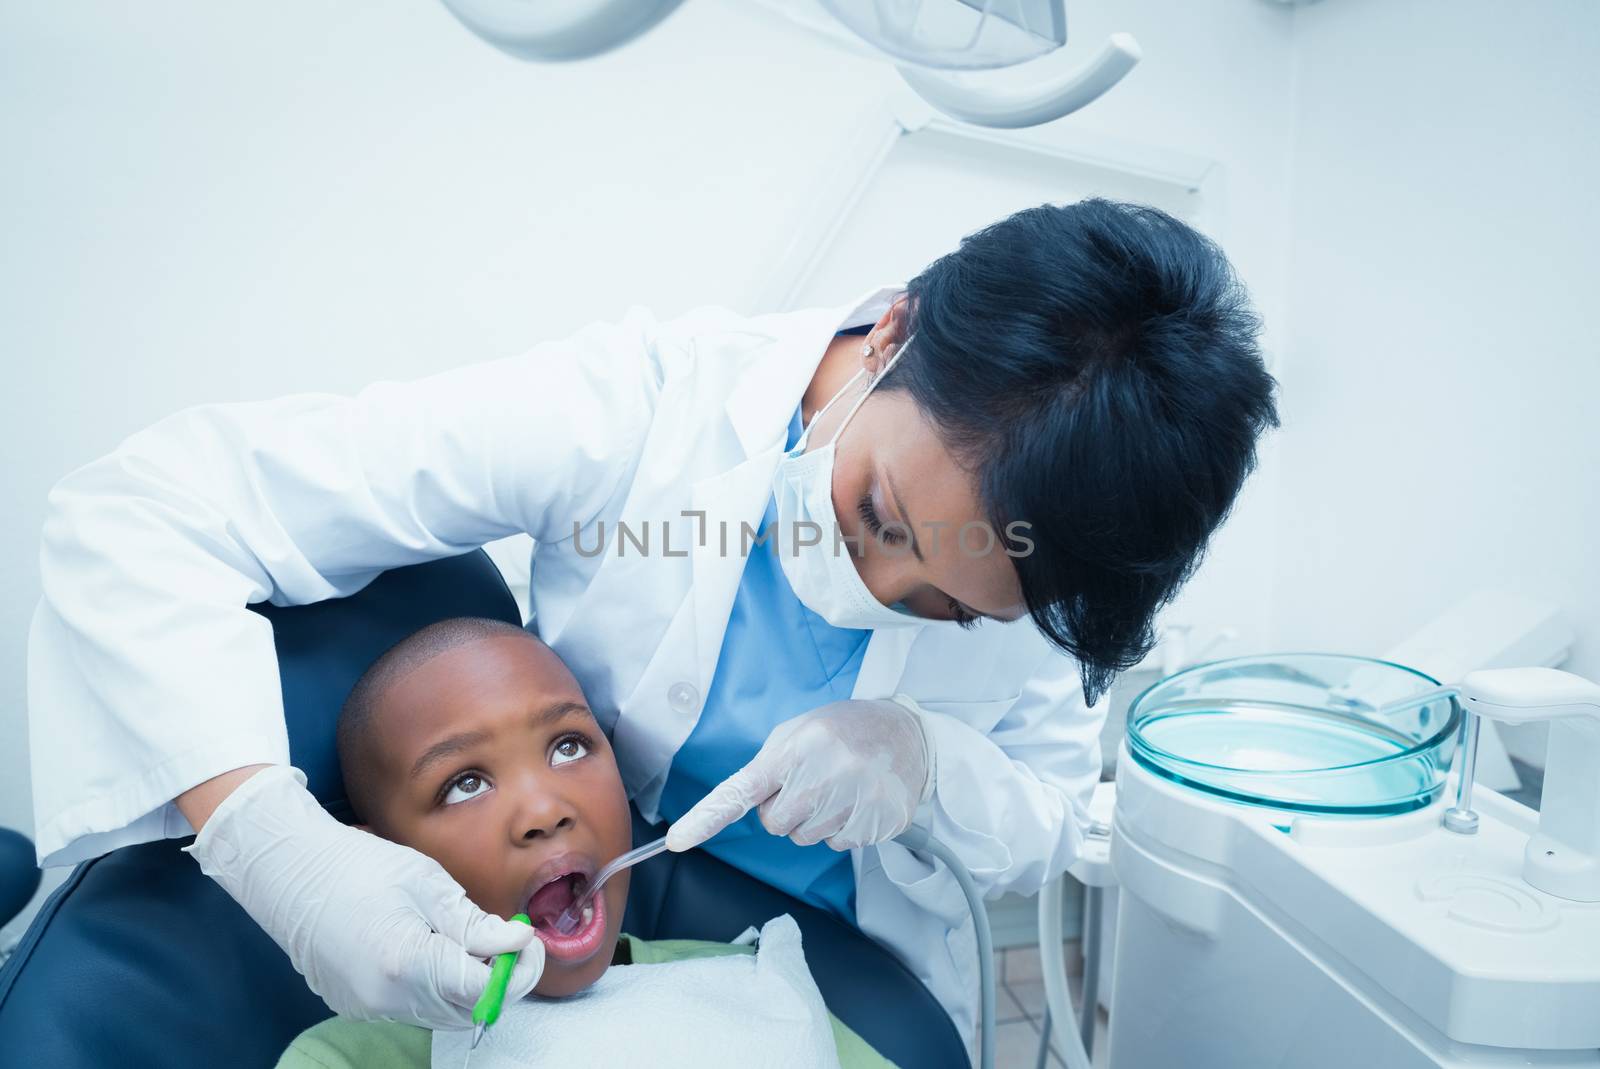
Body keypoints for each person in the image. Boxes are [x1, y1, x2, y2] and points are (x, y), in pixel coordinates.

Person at [28, 199, 1279, 1047]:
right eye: (875, 516)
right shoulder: (635, 410)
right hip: (611, 913)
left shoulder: (1066, 553)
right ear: (891, 332)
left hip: (835, 969)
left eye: (950, 605)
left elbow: (1047, 824)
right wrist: (270, 843)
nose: (879, 591)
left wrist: (929, 759)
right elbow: (139, 511)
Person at [274, 616, 890, 1068]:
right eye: (465, 785)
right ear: (376, 863)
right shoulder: (342, 1060)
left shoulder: (750, 984)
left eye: (568, 747)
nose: (544, 811)